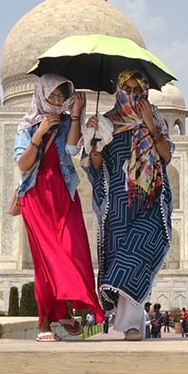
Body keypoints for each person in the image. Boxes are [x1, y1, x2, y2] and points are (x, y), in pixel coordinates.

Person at [83, 69, 174, 342]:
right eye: (129, 89)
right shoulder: (108, 121)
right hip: (119, 204)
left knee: (137, 257)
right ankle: (134, 322)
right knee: (122, 262)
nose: (134, 94)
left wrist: (150, 124)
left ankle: (133, 323)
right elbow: (96, 166)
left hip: (150, 200)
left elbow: (166, 156)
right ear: (120, 90)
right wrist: (95, 144)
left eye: (139, 89)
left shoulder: (154, 118)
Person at [14, 73, 104, 342]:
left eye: (61, 95)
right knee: (46, 262)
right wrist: (40, 133)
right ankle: (45, 323)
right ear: (41, 94)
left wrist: (76, 114)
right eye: (51, 95)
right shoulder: (27, 125)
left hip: (64, 194)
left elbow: (73, 151)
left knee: (74, 253)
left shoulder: (66, 122)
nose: (56, 100)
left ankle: (64, 309)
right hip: (36, 196)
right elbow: (23, 165)